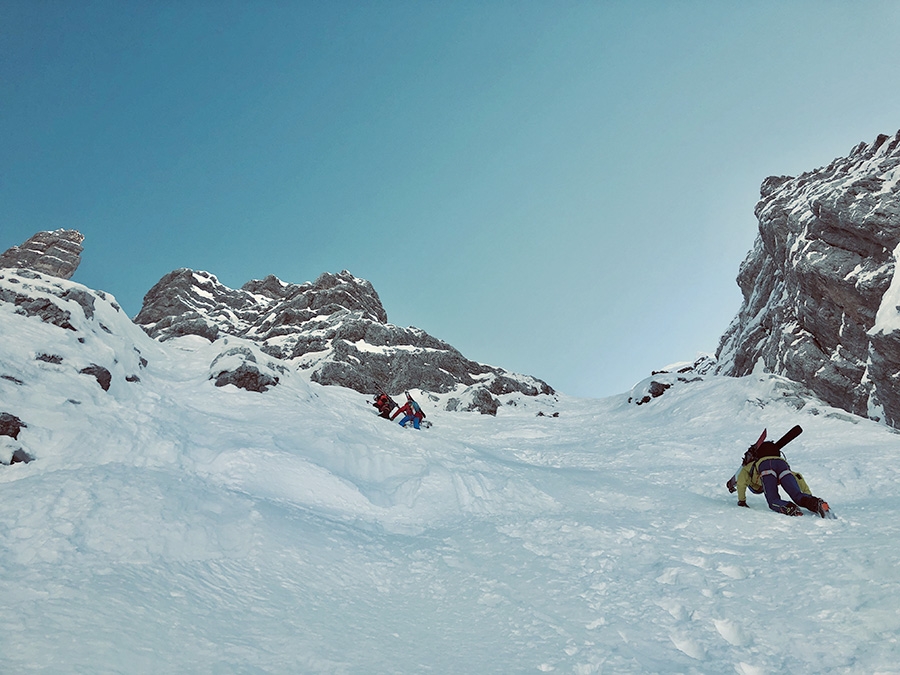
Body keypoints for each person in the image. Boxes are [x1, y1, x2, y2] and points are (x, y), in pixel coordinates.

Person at [728, 436, 830, 517]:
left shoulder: (747, 468)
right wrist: (808, 496)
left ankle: (789, 508)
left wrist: (742, 501)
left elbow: (741, 483)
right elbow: (798, 476)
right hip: (782, 463)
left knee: (773, 501)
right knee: (797, 495)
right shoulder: (772, 460)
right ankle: (817, 503)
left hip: (765, 466)